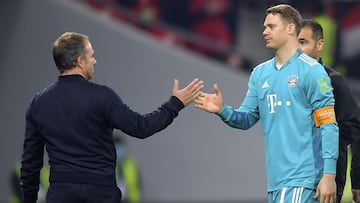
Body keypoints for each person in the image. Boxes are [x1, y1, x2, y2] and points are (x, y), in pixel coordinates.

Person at [20, 31, 204, 203]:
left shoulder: (39, 103)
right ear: (80, 61)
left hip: (61, 193)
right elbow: (141, 127)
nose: (95, 61)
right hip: (101, 192)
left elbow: (31, 162)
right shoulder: (103, 96)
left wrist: (28, 199)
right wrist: (176, 103)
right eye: (91, 56)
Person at [194, 4, 338, 203]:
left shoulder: (312, 71)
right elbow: (246, 118)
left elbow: (329, 124)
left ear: (290, 29)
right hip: (276, 182)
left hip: (303, 179)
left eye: (271, 26)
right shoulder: (260, 73)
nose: (265, 31)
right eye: (264, 27)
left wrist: (329, 176)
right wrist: (222, 110)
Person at [298, 19, 360, 203]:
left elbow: (356, 130)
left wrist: (356, 180)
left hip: (325, 183)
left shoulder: (334, 82)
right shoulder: (281, 82)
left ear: (319, 45)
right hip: (288, 179)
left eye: (303, 42)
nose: (297, 50)